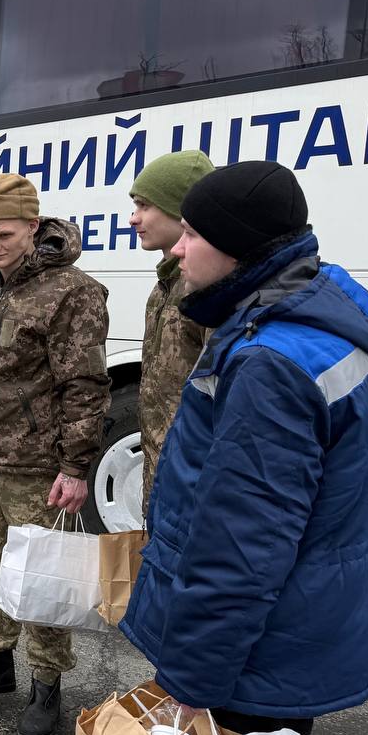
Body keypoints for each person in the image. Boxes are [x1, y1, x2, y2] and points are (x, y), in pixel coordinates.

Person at [121, 161, 368, 735]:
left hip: (255, 653)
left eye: (192, 234)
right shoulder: (304, 324)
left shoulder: (268, 359)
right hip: (285, 630)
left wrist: (193, 677)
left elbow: (243, 543)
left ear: (237, 247)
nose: (179, 250)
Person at [0, 174, 111, 735]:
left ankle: (46, 680)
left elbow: (84, 385)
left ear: (34, 227)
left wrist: (76, 466)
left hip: (37, 464)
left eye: (3, 235)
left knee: (39, 574)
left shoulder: (72, 291)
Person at [128, 150, 214, 515]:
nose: (134, 218)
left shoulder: (204, 289)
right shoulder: (167, 284)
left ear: (182, 211)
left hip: (193, 480)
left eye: (145, 206)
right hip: (164, 471)